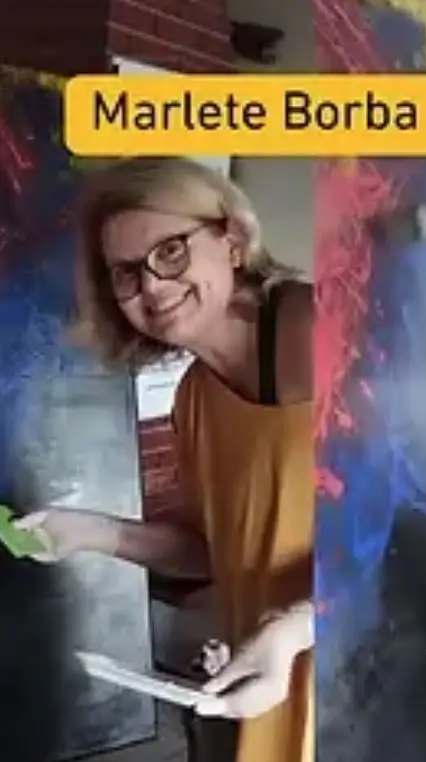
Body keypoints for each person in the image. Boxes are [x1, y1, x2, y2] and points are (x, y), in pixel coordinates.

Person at [16, 156, 314, 762]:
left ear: (232, 240)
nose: (151, 285)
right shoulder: (193, 399)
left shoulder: (319, 327)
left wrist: (297, 627)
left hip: (372, 678)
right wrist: (91, 531)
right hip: (268, 682)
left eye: (171, 251)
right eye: (126, 273)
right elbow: (215, 548)